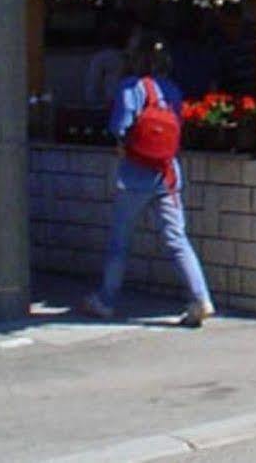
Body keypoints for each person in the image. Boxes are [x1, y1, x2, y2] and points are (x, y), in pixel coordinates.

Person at [80, 33, 216, 327]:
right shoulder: (172, 90)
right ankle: (201, 296)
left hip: (134, 174)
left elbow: (120, 127)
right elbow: (177, 125)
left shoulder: (130, 88)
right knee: (177, 238)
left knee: (120, 241)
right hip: (167, 174)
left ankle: (106, 299)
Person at [81, 18, 131, 112]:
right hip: (110, 107)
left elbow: (91, 89)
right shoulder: (102, 59)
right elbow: (92, 88)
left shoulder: (129, 58)